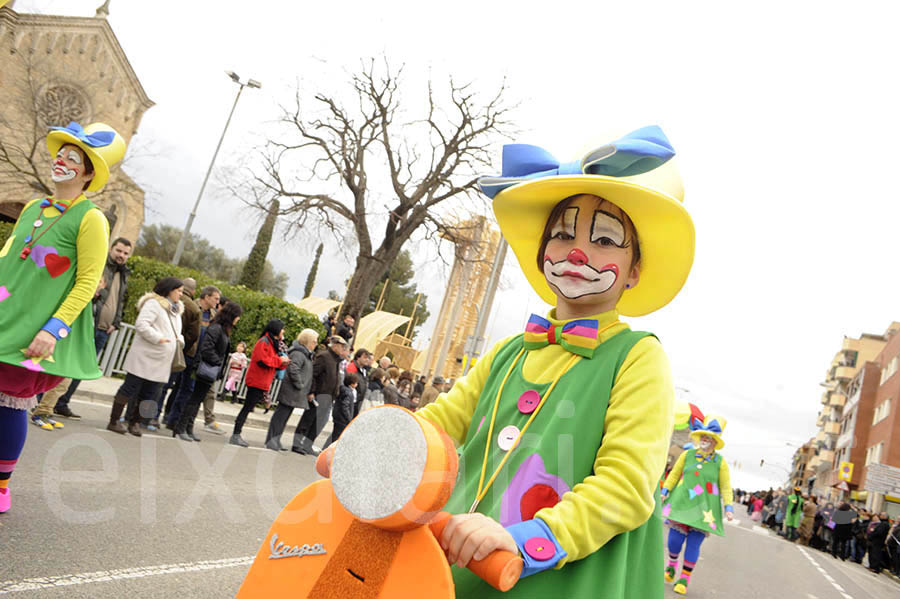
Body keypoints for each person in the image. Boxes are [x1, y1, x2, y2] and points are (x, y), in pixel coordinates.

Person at [407, 126, 694, 597]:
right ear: (543, 254)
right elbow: (438, 424)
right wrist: (377, 446)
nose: (578, 252)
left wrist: (528, 540)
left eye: (605, 240)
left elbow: (626, 485)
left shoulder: (638, 357)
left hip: (563, 583)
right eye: (562, 235)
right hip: (456, 574)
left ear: (634, 271)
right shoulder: (508, 351)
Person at [0, 121, 126, 513]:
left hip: (35, 327)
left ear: (88, 173)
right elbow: (8, 259)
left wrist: (55, 328)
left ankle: (1, 484)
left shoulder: (91, 219)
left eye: (74, 158)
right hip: (5, 311)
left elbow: (89, 280)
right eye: (61, 154)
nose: (62, 161)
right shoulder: (35, 207)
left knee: (10, 401)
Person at [41, 236, 133, 422]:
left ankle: (62, 403)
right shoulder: (100, 265)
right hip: (87, 324)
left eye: (125, 253)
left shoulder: (124, 274)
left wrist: (116, 321)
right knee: (63, 363)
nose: (121, 255)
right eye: (119, 250)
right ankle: (40, 401)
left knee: (80, 369)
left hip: (104, 329)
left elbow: (120, 300)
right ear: (111, 249)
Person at [662, 417, 734, 595]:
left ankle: (684, 579)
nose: (704, 440)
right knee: (674, 541)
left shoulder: (720, 462)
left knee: (693, 545)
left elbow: (725, 486)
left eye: (708, 437)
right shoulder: (687, 455)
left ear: (715, 442)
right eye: (702, 436)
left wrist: (729, 507)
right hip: (682, 504)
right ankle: (672, 564)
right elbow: (674, 474)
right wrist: (664, 491)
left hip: (705, 510)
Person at [106, 277, 184, 436]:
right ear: (169, 289)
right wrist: (158, 338)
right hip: (145, 356)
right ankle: (113, 421)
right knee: (129, 388)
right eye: (179, 291)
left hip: (162, 360)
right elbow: (142, 324)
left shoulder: (176, 310)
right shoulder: (153, 304)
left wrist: (179, 341)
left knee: (151, 394)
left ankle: (135, 423)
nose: (181, 295)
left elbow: (177, 332)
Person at [173, 301, 242, 442]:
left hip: (210, 370)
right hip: (205, 368)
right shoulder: (217, 328)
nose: (239, 319)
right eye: (237, 316)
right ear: (231, 315)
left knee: (197, 400)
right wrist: (218, 362)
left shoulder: (223, 329)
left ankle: (188, 428)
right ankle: (180, 428)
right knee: (194, 399)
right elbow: (207, 349)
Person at [230, 319, 289, 447]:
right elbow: (263, 361)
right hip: (256, 381)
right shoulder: (264, 342)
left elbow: (272, 363)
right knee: (247, 408)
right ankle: (235, 434)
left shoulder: (274, 343)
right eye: (282, 328)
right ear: (276, 329)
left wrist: (283, 363)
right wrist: (280, 360)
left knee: (249, 408)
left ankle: (236, 433)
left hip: (263, 381)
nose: (283, 331)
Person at [292, 335, 346, 456]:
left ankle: (307, 444)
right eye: (341, 346)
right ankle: (296, 443)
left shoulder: (336, 360)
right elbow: (313, 375)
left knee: (318, 422)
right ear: (335, 345)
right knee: (308, 420)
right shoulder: (324, 356)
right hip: (319, 394)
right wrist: (311, 391)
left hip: (328, 396)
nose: (343, 349)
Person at [265, 329, 317, 451]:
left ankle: (276, 440)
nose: (316, 344)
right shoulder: (299, 353)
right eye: (314, 341)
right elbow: (293, 369)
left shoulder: (304, 353)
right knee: (280, 417)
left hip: (294, 392)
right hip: (291, 390)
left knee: (283, 418)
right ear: (307, 341)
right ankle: (272, 441)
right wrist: (300, 384)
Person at [323, 372, 358, 449]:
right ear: (352, 384)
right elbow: (345, 406)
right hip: (343, 419)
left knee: (335, 434)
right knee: (337, 437)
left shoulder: (343, 390)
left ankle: (326, 449)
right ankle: (328, 450)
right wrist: (348, 418)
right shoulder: (348, 392)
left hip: (338, 416)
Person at [344, 348, 372, 416]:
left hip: (358, 402)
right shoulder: (352, 367)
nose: (367, 360)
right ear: (358, 357)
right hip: (351, 401)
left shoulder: (364, 370)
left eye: (368, 358)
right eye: (365, 357)